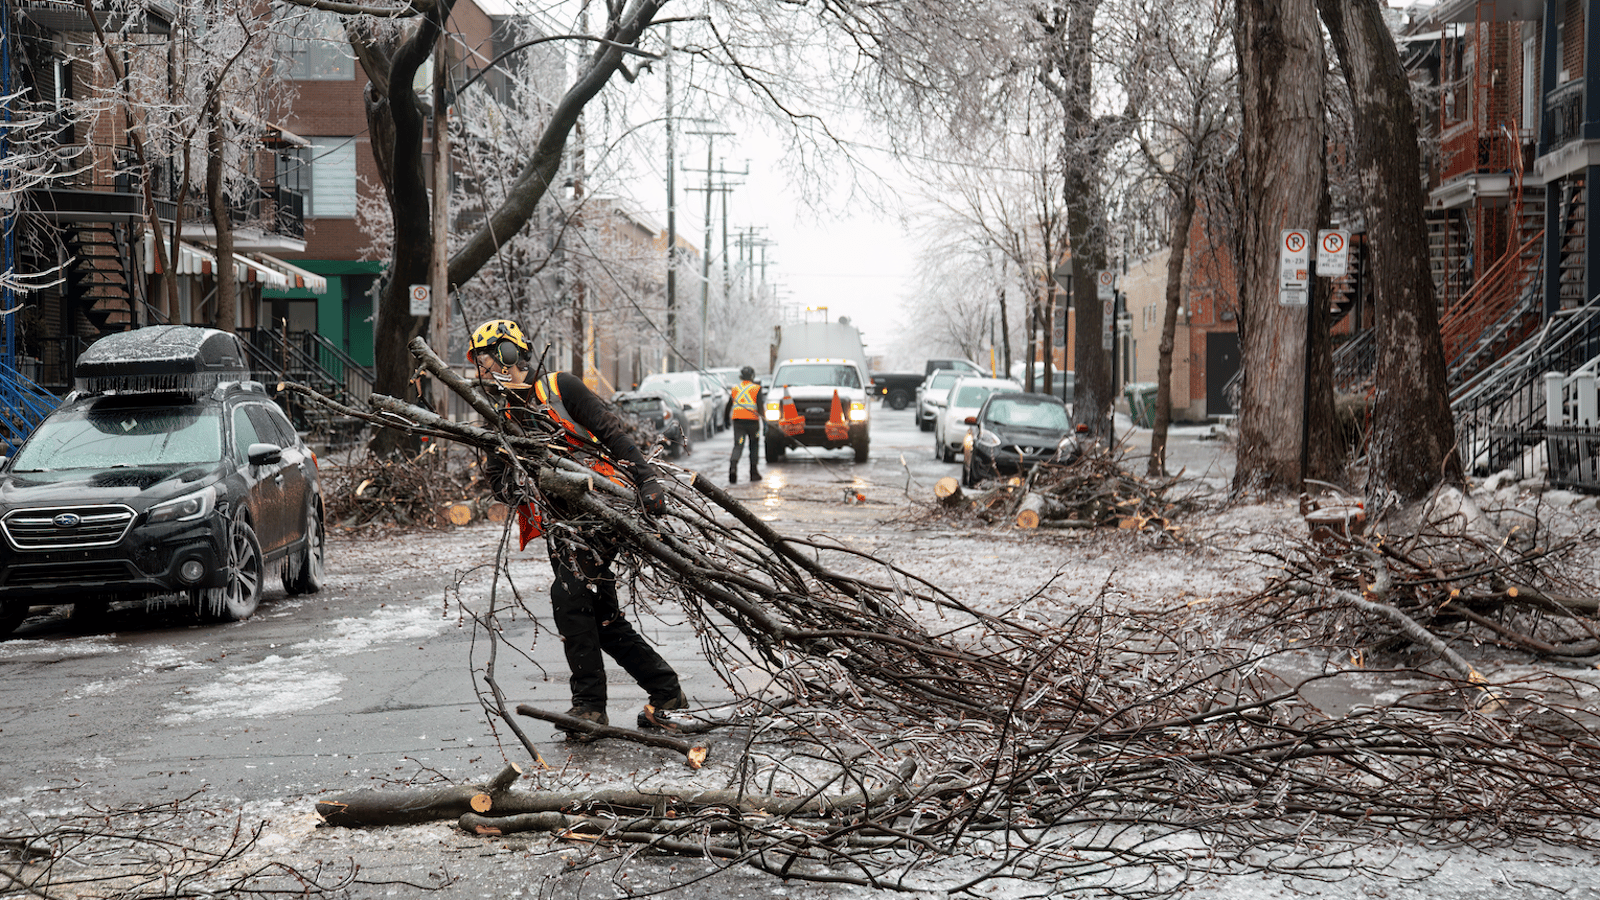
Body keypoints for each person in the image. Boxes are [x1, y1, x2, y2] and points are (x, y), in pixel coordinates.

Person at [467, 319, 688, 741]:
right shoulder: (499, 416)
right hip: (559, 522)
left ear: (511, 354)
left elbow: (612, 433)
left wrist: (647, 480)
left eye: (487, 359)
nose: (483, 369)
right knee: (600, 615)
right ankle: (666, 692)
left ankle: (589, 707)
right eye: (479, 363)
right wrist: (523, 481)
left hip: (601, 509)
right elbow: (498, 479)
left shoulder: (560, 388)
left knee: (569, 598)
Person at [726, 365, 763, 484]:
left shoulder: (735, 388)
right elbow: (761, 407)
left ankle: (733, 468)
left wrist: (726, 420)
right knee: (754, 446)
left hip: (738, 423)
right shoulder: (756, 388)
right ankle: (754, 472)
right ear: (752, 376)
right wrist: (765, 422)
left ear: (741, 376)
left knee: (738, 445)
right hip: (753, 423)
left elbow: (728, 406)